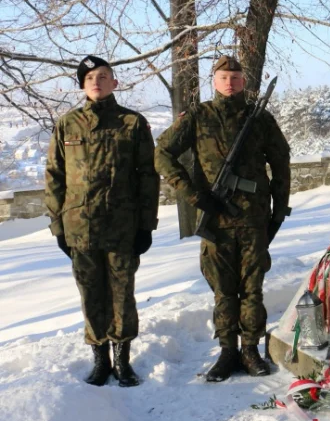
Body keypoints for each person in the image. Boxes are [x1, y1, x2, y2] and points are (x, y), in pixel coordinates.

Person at [155, 56, 291, 382]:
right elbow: (161, 152)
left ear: (244, 81)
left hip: (253, 218)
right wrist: (193, 195)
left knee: (253, 288)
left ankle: (251, 349)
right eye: (223, 76)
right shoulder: (199, 117)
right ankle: (227, 350)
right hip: (215, 218)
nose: (229, 82)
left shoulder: (259, 119)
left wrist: (277, 212)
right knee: (223, 290)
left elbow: (281, 163)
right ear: (213, 81)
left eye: (235, 76)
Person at [44, 56, 159, 386]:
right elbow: (54, 177)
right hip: (80, 229)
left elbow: (148, 177)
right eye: (90, 77)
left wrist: (145, 226)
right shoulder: (68, 124)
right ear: (82, 84)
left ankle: (123, 360)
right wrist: (58, 228)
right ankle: (100, 360)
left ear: (115, 83)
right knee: (91, 295)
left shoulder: (132, 123)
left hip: (122, 228)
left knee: (122, 295)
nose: (97, 81)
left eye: (104, 76)